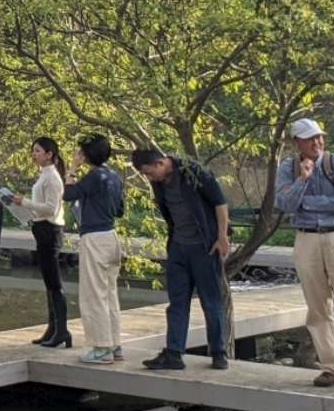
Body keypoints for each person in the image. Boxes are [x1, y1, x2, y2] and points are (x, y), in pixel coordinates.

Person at [274, 117, 334, 390]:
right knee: (317, 307)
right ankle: (331, 368)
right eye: (310, 138)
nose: (317, 142)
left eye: (319, 136)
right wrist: (303, 179)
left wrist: (305, 203)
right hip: (306, 239)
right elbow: (285, 203)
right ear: (296, 143)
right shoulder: (289, 169)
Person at [130, 148, 231, 371]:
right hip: (178, 246)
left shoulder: (193, 171)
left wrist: (222, 236)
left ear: (160, 163)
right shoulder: (158, 183)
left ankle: (218, 352)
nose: (149, 178)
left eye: (149, 173)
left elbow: (219, 203)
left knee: (211, 300)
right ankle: (174, 353)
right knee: (177, 302)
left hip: (204, 246)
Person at [64, 133, 125, 364]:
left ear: (86, 155)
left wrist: (72, 168)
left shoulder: (94, 176)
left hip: (94, 238)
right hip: (111, 236)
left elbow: (68, 194)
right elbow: (120, 210)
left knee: (93, 295)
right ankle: (115, 343)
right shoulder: (114, 177)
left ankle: (101, 348)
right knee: (109, 293)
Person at [12, 136, 70, 348]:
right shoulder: (44, 175)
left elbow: (51, 208)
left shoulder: (52, 177)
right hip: (41, 228)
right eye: (33, 150)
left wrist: (24, 202)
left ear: (49, 154)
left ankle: (61, 329)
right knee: (48, 281)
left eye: (38, 151)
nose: (34, 154)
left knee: (54, 282)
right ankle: (52, 328)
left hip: (50, 229)